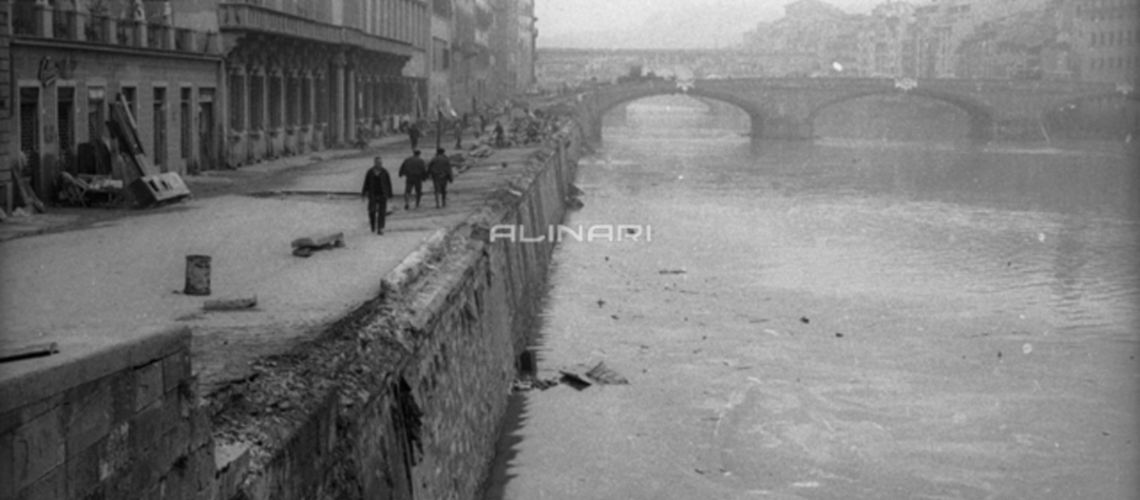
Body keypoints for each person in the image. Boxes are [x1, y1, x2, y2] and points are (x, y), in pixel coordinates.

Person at [361, 156, 393, 234]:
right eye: (378, 163)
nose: (380, 164)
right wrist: (363, 194)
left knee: (382, 212)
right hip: (373, 194)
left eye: (381, 163)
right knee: (372, 211)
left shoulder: (385, 172)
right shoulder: (370, 172)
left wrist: (390, 195)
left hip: (383, 194)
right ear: (374, 163)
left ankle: (380, 228)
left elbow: (389, 183)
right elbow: (366, 183)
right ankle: (373, 226)